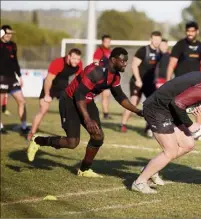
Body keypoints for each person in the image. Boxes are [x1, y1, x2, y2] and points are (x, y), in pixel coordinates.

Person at [27, 47, 143, 177]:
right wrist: (87, 119)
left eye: (126, 61)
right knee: (72, 143)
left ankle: (84, 169)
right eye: (123, 61)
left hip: (86, 101)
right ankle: (38, 140)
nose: (125, 64)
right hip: (70, 101)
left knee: (98, 136)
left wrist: (138, 111)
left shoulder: (115, 76)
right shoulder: (96, 71)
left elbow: (120, 97)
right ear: (113, 59)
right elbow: (79, 93)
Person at [131, 71, 201, 193]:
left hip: (167, 110)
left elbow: (180, 97)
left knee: (188, 144)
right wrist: (190, 124)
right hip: (157, 109)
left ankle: (151, 169)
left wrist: (192, 106)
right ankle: (139, 182)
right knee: (171, 151)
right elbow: (177, 103)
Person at [166, 21, 201, 141]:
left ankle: (198, 133)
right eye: (188, 31)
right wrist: (167, 80)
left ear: (197, 32)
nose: (190, 33)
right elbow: (171, 64)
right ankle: (174, 131)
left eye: (192, 31)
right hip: (180, 82)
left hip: (196, 83)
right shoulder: (180, 45)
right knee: (178, 107)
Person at [27, 48, 83, 141]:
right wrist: (47, 95)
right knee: (43, 109)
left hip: (63, 86)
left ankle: (69, 132)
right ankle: (31, 132)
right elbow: (48, 80)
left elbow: (79, 79)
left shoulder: (79, 64)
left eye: (78, 59)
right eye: (74, 59)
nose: (76, 61)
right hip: (50, 86)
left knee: (69, 108)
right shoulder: (58, 63)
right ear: (68, 56)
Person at [120, 31, 162, 136]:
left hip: (150, 83)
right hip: (137, 81)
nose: (156, 41)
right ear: (151, 39)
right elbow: (134, 66)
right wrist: (138, 80)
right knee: (134, 102)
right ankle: (123, 124)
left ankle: (149, 126)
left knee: (153, 104)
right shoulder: (143, 50)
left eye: (158, 39)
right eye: (155, 39)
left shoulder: (160, 53)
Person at [0, 25, 29, 135]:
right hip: (1, 78)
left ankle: (24, 126)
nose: (9, 35)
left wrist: (20, 76)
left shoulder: (13, 45)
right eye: (7, 33)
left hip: (12, 78)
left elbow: (15, 62)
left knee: (22, 101)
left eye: (10, 33)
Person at [93, 34, 112, 120]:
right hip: (100, 76)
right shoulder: (99, 51)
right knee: (100, 94)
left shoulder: (110, 51)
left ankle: (106, 114)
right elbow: (95, 63)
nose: (107, 43)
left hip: (107, 76)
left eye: (109, 41)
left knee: (106, 95)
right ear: (102, 42)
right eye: (106, 41)